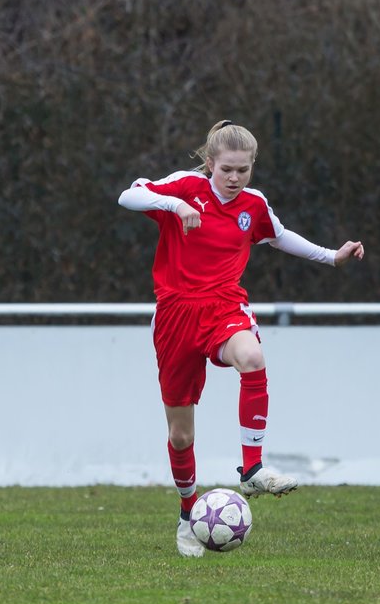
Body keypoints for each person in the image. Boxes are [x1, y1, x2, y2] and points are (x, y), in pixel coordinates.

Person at [118, 120, 365, 557]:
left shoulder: (254, 204)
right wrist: (175, 208)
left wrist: (332, 257)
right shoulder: (185, 188)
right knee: (179, 435)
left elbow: (279, 236)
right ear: (210, 163)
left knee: (252, 356)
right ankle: (186, 514)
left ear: (252, 168)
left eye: (243, 170)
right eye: (226, 169)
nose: (234, 179)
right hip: (175, 314)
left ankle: (252, 468)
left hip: (223, 306)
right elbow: (128, 195)